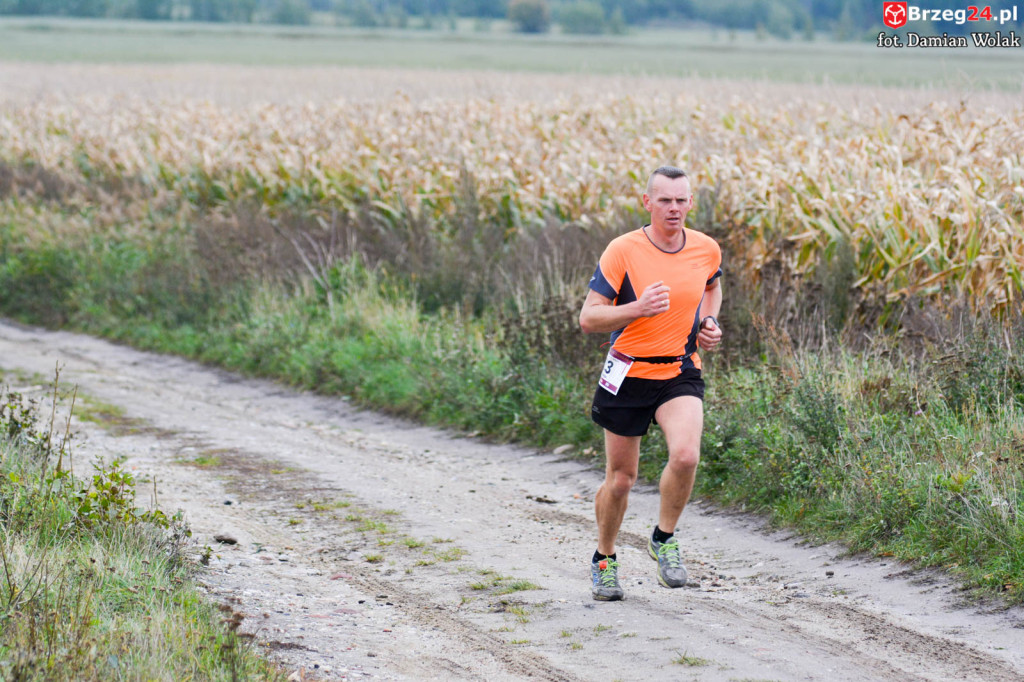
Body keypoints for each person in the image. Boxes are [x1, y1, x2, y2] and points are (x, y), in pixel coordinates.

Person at [578, 165, 722, 601]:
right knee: (622, 479)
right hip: (627, 372)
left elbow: (712, 287)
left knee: (685, 454)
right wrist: (637, 308)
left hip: (678, 368)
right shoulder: (623, 251)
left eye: (681, 200)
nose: (674, 209)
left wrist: (708, 322)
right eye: (664, 200)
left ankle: (664, 538)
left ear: (690, 203)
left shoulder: (705, 248)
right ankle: (604, 559)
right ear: (647, 203)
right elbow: (589, 318)